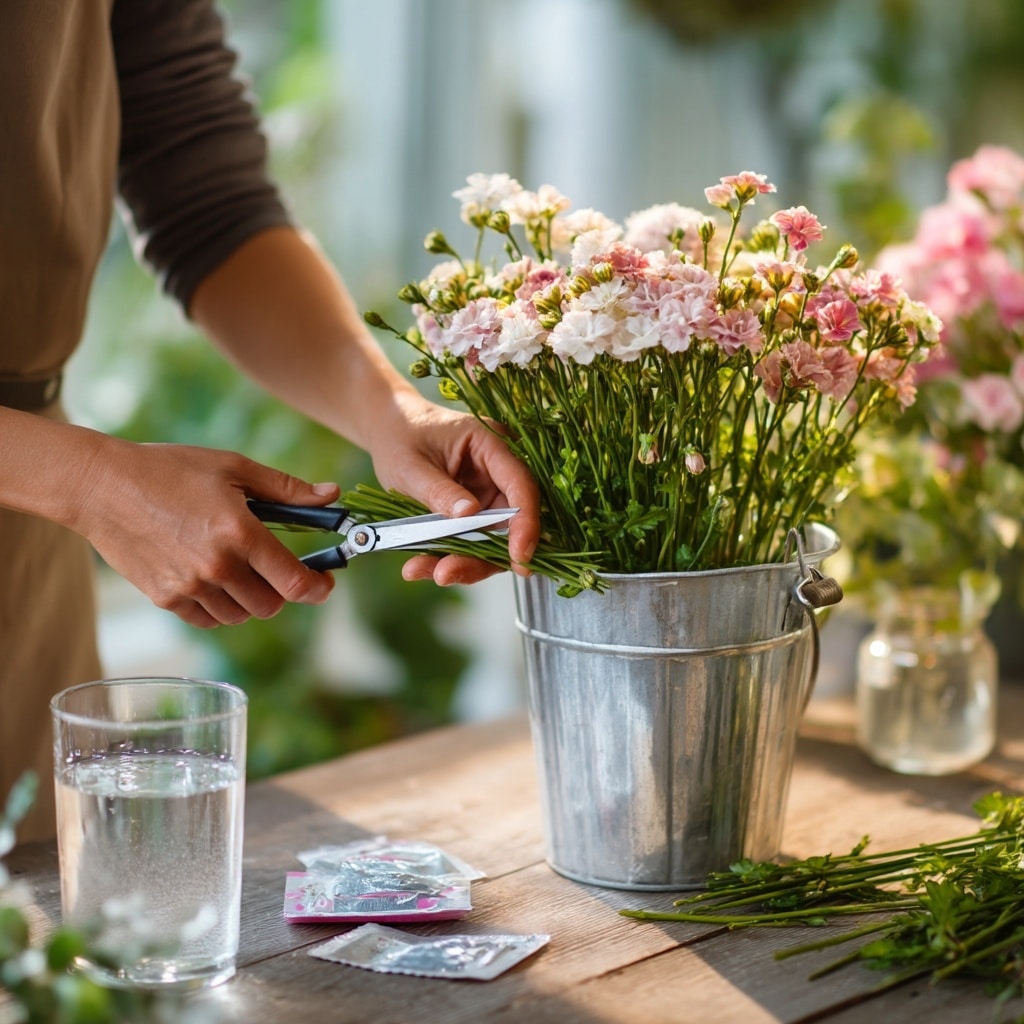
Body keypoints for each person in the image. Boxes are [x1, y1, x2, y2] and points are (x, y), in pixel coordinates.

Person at [0, 0, 539, 842]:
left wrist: (390, 413)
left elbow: (210, 202)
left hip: (24, 570)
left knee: (40, 924)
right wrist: (85, 479)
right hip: (44, 487)